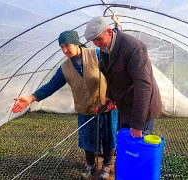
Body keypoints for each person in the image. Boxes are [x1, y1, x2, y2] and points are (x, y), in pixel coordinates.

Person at [12, 30, 118, 180]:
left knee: (109, 136)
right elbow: (51, 85)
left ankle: (107, 165)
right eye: (61, 47)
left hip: (107, 106)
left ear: (76, 43)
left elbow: (115, 76)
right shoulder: (65, 67)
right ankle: (90, 165)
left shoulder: (97, 54)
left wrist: (113, 98)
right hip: (85, 108)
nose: (64, 50)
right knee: (87, 138)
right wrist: (30, 98)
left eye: (67, 45)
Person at [84, 16, 162, 138]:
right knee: (125, 143)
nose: (97, 44)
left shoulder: (133, 48)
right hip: (125, 104)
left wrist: (137, 124)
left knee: (137, 148)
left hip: (141, 108)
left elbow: (144, 86)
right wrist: (109, 97)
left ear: (109, 32)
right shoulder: (106, 48)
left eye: (99, 39)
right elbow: (111, 76)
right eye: (94, 41)